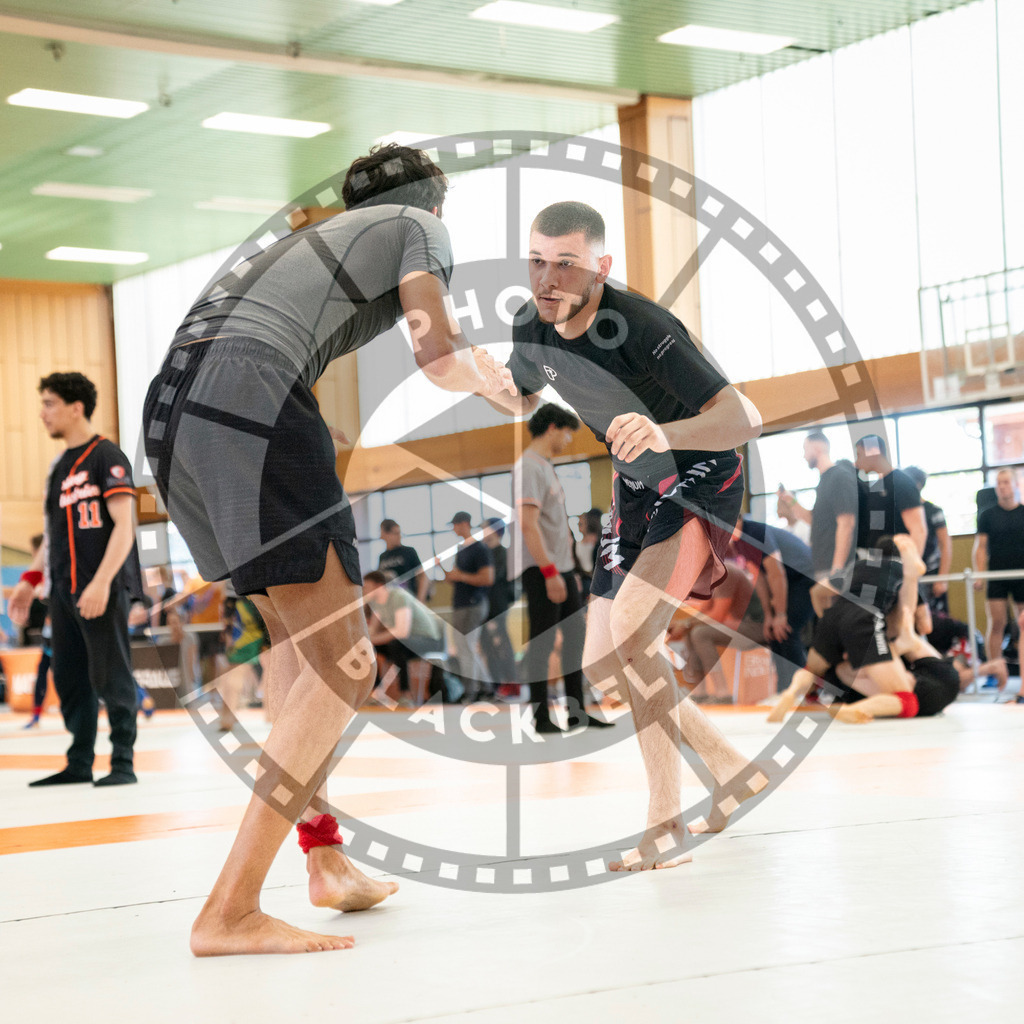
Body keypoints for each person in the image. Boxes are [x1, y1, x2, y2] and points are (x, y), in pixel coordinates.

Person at [142, 143, 515, 956]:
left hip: (171, 413)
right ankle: (230, 911)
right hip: (252, 392)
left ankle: (325, 857)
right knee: (349, 666)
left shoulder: (307, 240)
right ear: (438, 202)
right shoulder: (419, 223)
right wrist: (491, 381)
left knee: (296, 650)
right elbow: (438, 351)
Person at [491, 200, 763, 869]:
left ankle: (664, 823)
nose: (547, 279)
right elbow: (521, 395)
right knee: (609, 656)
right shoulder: (532, 322)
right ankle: (731, 767)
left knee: (636, 630)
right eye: (536, 262)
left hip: (699, 470)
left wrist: (664, 433)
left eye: (566, 264)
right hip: (635, 485)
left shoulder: (641, 325)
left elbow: (744, 416)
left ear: (601, 267)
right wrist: (475, 376)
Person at [8, 372, 143, 787]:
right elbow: (50, 536)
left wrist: (103, 582)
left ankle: (122, 763)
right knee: (68, 677)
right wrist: (30, 581)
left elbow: (126, 525)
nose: (43, 413)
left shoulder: (107, 456)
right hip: (63, 594)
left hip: (99, 587)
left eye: (49, 403)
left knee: (111, 675)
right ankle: (79, 761)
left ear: (75, 407)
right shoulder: (58, 468)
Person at [768, 537, 958, 724]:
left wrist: (826, 618)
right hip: (866, 618)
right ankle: (857, 709)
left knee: (812, 670)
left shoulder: (857, 566)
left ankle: (791, 692)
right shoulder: (900, 571)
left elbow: (817, 592)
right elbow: (922, 625)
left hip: (833, 615)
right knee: (907, 701)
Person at [509, 403, 611, 732]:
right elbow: (528, 525)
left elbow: (556, 526)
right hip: (542, 570)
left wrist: (569, 572)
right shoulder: (528, 467)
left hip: (561, 569)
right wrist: (550, 572)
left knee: (575, 638)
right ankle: (540, 717)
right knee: (542, 642)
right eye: (567, 432)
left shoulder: (545, 466)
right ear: (553, 427)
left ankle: (576, 711)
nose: (568, 440)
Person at [972, 468, 1024, 683]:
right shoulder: (987, 515)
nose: (1002, 486)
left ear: (1015, 484)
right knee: (996, 623)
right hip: (997, 576)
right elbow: (981, 547)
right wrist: (979, 574)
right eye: (999, 483)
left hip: (1021, 576)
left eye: (1005, 482)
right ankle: (994, 671)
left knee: (1023, 625)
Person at [363, 570, 446, 704]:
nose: (364, 590)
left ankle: (405, 694)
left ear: (378, 586)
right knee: (371, 646)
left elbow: (402, 631)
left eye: (366, 586)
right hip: (405, 642)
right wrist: (367, 641)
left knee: (396, 644)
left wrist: (372, 639)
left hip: (428, 640)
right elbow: (372, 631)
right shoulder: (376, 603)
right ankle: (375, 693)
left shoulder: (399, 596)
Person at [443, 511, 495, 701]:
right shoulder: (461, 549)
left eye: (456, 525)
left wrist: (460, 576)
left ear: (465, 523)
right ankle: (486, 687)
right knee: (465, 647)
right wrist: (450, 575)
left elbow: (488, 578)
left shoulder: (479, 549)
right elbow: (457, 578)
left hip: (474, 604)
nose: (454, 529)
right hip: (460, 604)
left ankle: (471, 690)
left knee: (466, 647)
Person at [853, 434, 926, 554]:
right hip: (877, 561)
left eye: (859, 455)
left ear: (873, 451)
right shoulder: (877, 486)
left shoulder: (901, 482)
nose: (857, 462)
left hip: (896, 563)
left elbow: (919, 529)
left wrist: (912, 565)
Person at [904, 466, 952, 614]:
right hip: (908, 573)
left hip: (931, 573)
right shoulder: (901, 511)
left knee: (936, 622)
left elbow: (945, 545)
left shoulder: (933, 511)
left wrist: (942, 579)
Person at [479, 518, 517, 697]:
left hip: (498, 605)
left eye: (485, 529)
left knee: (501, 644)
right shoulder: (483, 553)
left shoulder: (503, 553)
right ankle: (496, 685)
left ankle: (511, 683)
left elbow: (496, 578)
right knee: (487, 646)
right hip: (483, 607)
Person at [377, 519, 429, 602]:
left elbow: (423, 576)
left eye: (399, 533)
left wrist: (420, 600)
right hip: (390, 602)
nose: (399, 536)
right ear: (385, 534)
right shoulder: (382, 557)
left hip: (407, 599)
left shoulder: (409, 552)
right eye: (396, 533)